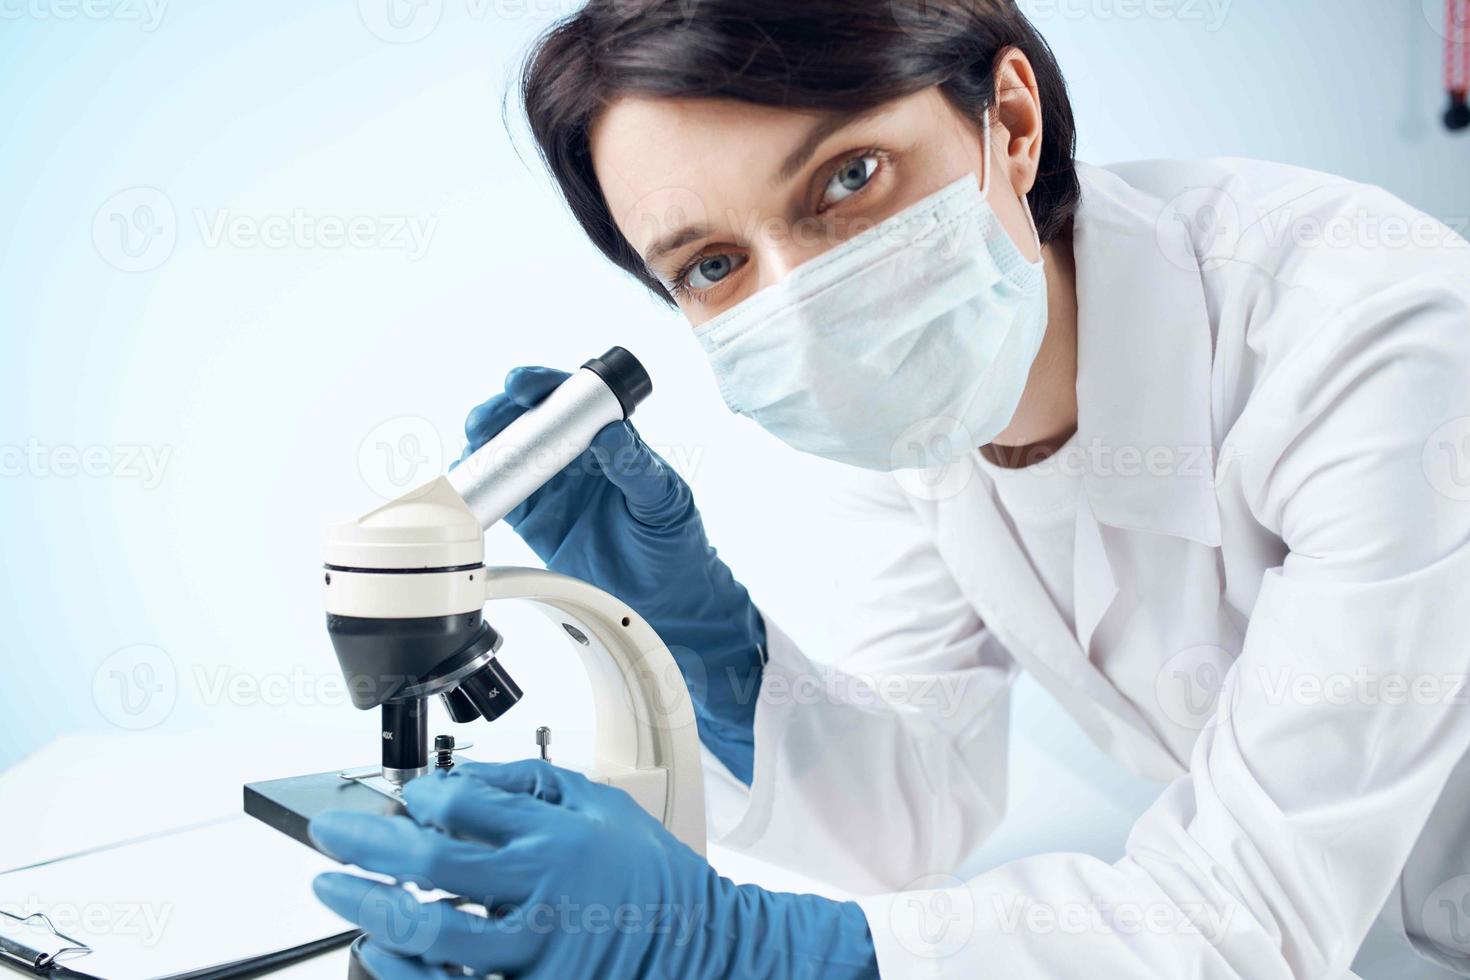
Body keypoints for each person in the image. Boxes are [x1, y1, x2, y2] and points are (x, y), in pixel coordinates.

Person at [306, 1, 1470, 977]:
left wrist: (736, 947)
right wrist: (699, 638)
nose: (803, 304)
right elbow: (917, 808)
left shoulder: (1377, 340)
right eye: (712, 264)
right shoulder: (930, 412)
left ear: (1009, 123)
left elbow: (1245, 912)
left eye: (848, 177)